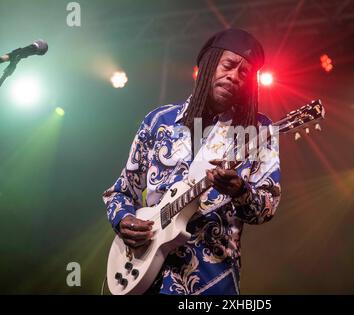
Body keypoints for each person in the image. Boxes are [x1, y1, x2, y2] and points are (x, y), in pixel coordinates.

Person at [103, 28, 281, 295]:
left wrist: (239, 191)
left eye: (244, 73)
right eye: (229, 65)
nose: (234, 76)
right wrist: (123, 219)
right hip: (141, 275)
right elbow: (121, 191)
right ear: (209, 66)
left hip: (210, 282)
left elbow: (266, 207)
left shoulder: (258, 131)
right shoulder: (159, 121)